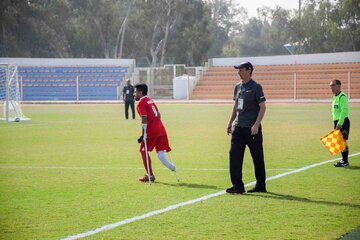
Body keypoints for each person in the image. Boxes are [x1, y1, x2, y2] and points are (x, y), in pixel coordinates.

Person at [225, 61, 267, 194]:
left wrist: (256, 124)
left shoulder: (256, 87)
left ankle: (260, 185)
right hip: (238, 127)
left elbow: (262, 107)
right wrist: (230, 122)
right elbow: (236, 106)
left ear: (249, 70)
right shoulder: (237, 87)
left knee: (257, 157)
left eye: (241, 70)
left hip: (251, 129)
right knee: (234, 156)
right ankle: (237, 186)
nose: (239, 72)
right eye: (238, 70)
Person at [134, 83, 176, 182]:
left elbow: (144, 118)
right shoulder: (149, 100)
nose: (134, 94)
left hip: (152, 131)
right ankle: (171, 167)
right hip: (161, 129)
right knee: (160, 153)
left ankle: (150, 175)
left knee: (143, 151)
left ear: (140, 92)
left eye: (135, 92)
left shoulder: (141, 103)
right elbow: (159, 114)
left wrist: (143, 134)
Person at [330, 79, 350, 167]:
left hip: (343, 122)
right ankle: (343, 160)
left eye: (333, 85)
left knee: (343, 141)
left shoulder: (342, 96)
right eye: (330, 86)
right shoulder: (335, 97)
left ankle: (345, 161)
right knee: (339, 142)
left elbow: (344, 111)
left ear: (338, 86)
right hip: (337, 122)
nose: (331, 88)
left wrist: (340, 123)